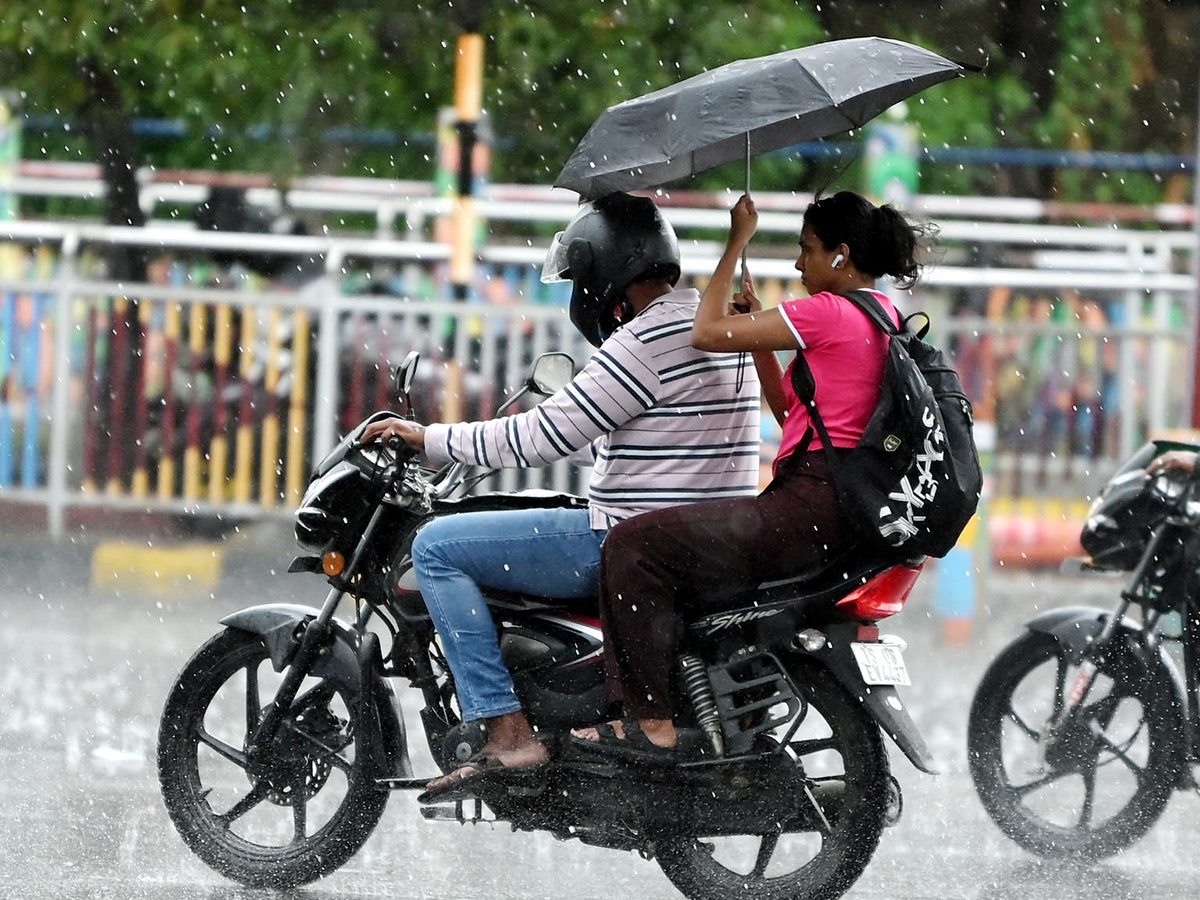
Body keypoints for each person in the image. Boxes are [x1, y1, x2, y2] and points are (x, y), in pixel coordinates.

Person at [362, 192, 761, 791]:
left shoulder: (645, 343)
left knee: (438, 547)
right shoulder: (722, 327)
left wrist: (430, 438)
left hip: (632, 541)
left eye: (583, 278)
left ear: (607, 272)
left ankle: (507, 731)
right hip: (709, 540)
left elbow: (539, 436)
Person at [573, 190, 929, 760]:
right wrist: (760, 336)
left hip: (809, 508)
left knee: (633, 544)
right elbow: (793, 414)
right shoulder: (879, 314)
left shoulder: (828, 311)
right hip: (838, 511)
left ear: (840, 255)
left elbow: (705, 333)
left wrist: (737, 240)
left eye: (806, 250)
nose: (798, 264)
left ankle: (650, 724)